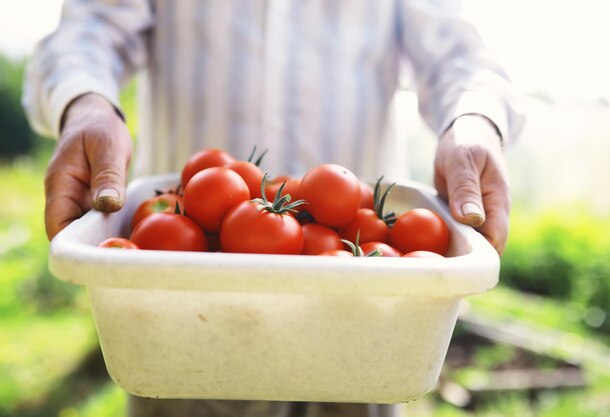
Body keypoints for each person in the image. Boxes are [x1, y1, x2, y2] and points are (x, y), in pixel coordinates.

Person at [23, 1, 525, 416]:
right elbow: (91, 26)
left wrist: (475, 121)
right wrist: (85, 105)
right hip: (184, 309)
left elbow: (457, 51)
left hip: (362, 316)